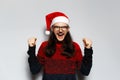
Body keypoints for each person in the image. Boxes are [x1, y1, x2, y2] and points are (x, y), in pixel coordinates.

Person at [27, 12, 93, 80]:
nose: (60, 30)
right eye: (57, 27)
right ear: (52, 29)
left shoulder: (75, 47)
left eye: (64, 27)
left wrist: (88, 49)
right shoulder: (45, 46)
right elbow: (34, 70)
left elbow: (85, 71)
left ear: (68, 29)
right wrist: (31, 48)